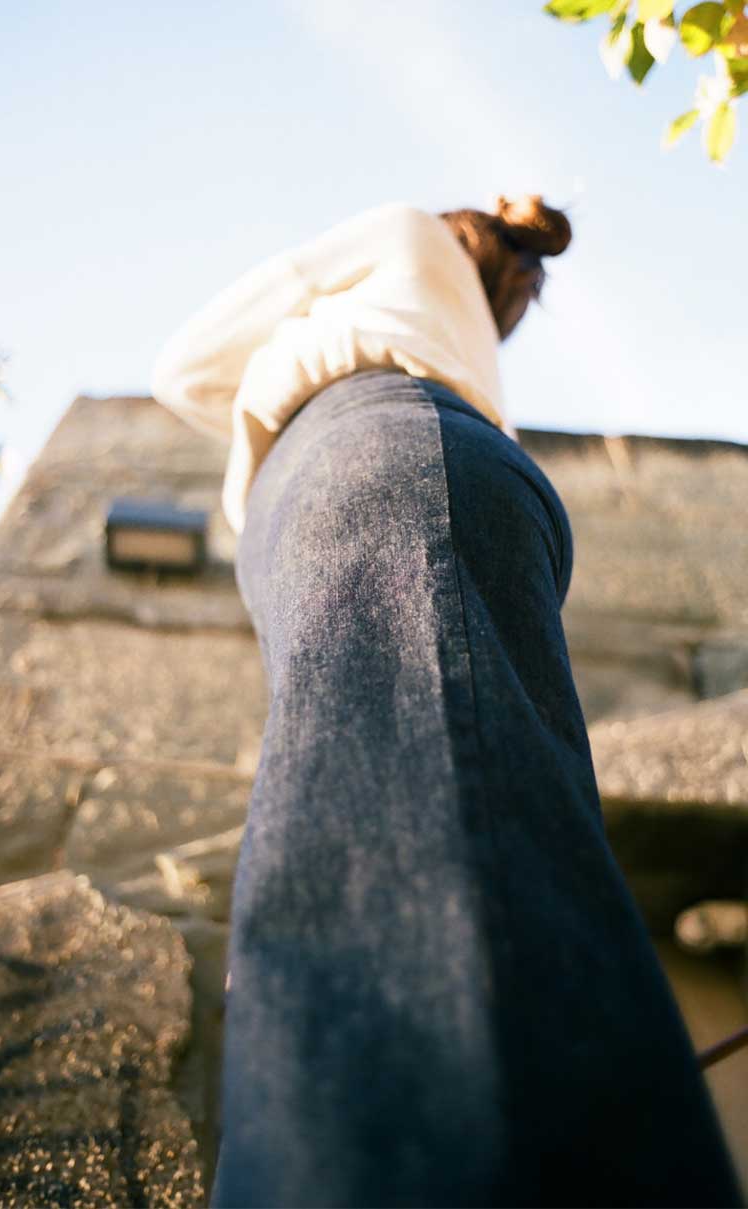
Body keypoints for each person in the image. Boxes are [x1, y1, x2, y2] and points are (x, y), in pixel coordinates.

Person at [150, 199, 742, 1209]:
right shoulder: (463, 337)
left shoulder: (405, 234)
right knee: (459, 811)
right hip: (419, 465)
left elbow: (182, 367)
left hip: (366, 451)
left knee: (398, 828)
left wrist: (276, 367)